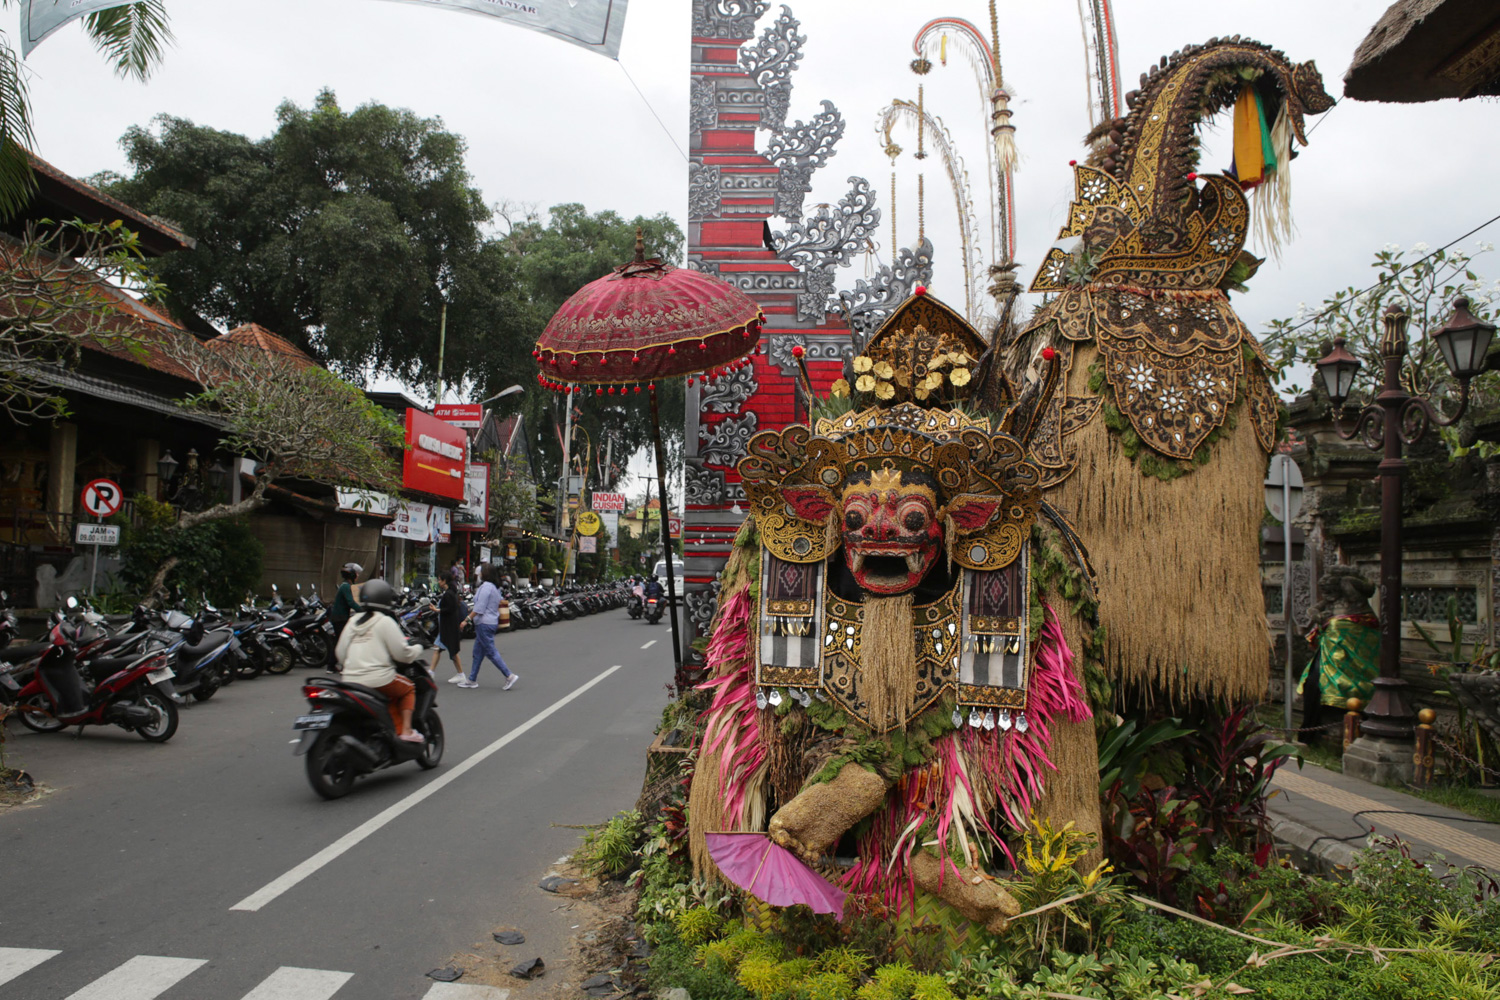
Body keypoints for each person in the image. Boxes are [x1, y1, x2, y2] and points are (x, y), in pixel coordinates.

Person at [334, 578, 426, 743]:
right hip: (379, 680)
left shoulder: (352, 621)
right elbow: (402, 654)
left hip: (349, 681)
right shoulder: (385, 622)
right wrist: (418, 648)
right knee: (409, 689)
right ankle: (406, 731)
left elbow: (340, 653)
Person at [461, 564, 517, 690]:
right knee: (477, 652)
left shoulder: (486, 587)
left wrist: (466, 620)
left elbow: (479, 608)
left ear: (485, 574)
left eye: (481, 571)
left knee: (491, 652)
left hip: (484, 623)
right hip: (490, 622)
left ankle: (509, 675)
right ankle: (472, 679)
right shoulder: (495, 587)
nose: (479, 573)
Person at [431, 574, 466, 684]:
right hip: (447, 627)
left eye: (439, 579)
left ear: (444, 580)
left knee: (451, 651)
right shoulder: (450, 593)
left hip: (448, 627)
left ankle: (461, 674)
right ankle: (431, 672)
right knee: (441, 649)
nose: (438, 581)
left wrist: (437, 610)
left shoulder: (449, 594)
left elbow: (448, 609)